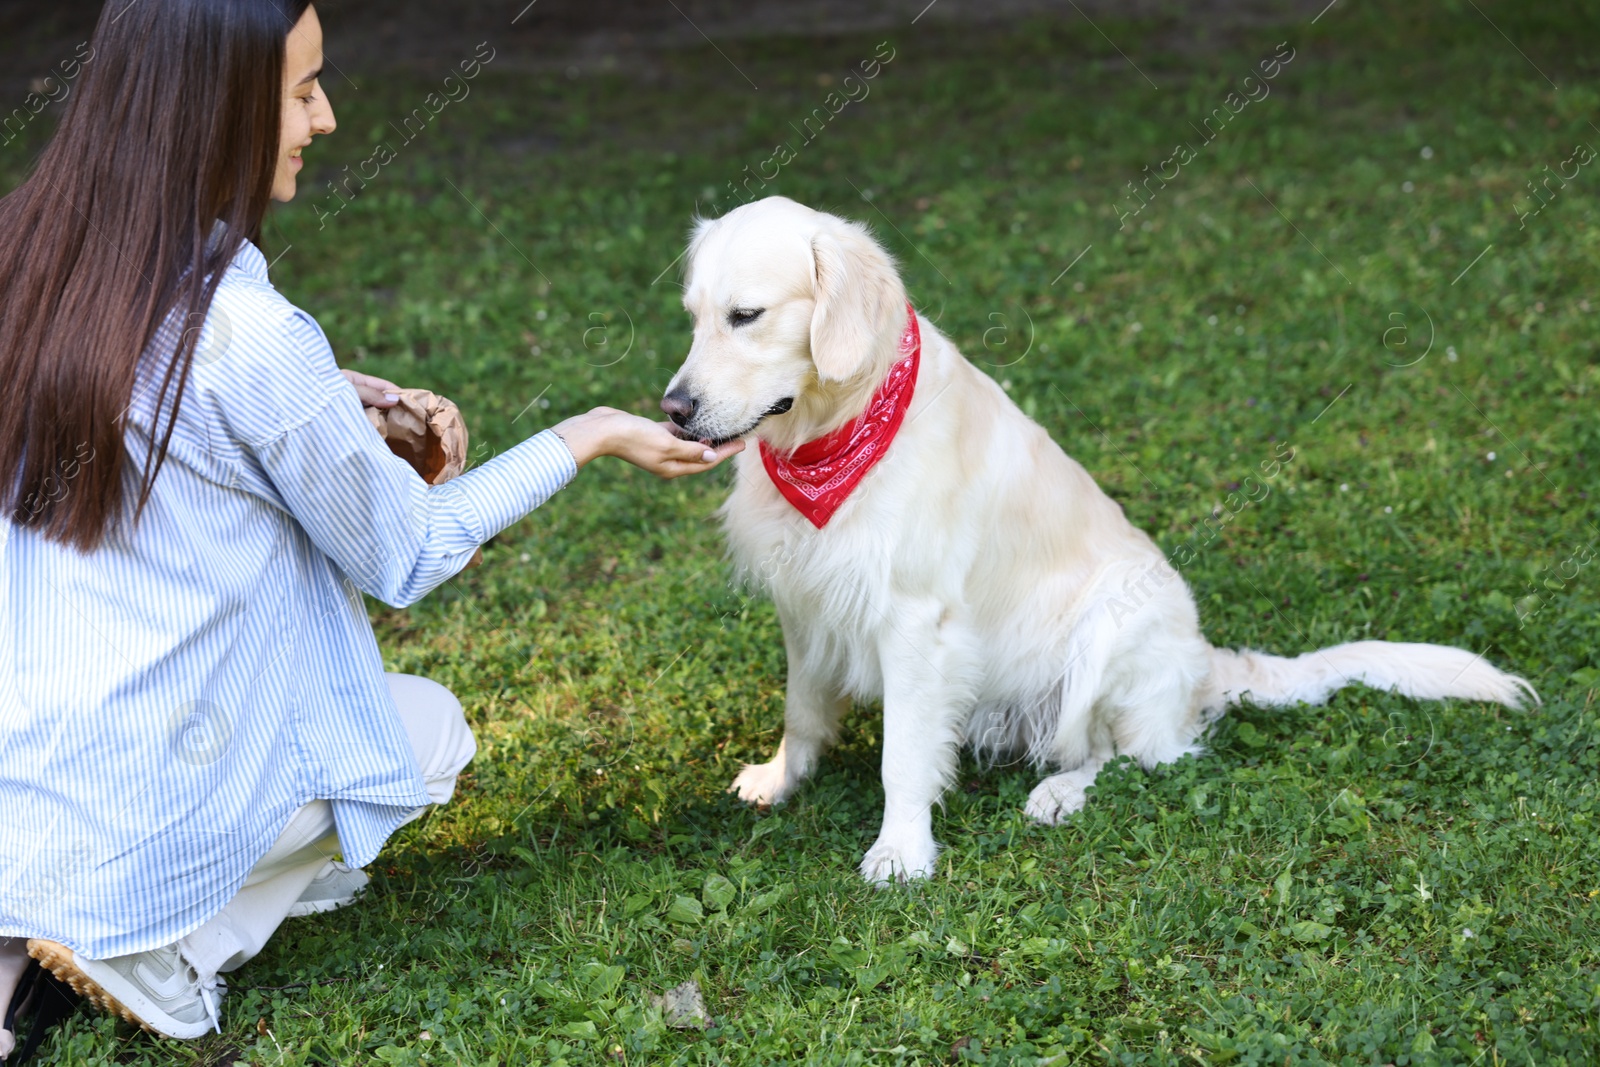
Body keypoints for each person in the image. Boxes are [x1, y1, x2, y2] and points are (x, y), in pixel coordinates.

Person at [0, 0, 741, 1053]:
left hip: (22, 761)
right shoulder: (251, 336)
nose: (328, 116)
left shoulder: (29, 258)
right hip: (155, 779)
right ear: (214, 109)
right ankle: (172, 944)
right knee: (428, 733)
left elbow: (143, 390)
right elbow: (409, 553)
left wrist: (329, 396)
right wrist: (585, 434)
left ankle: (40, 931)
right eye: (302, 90)